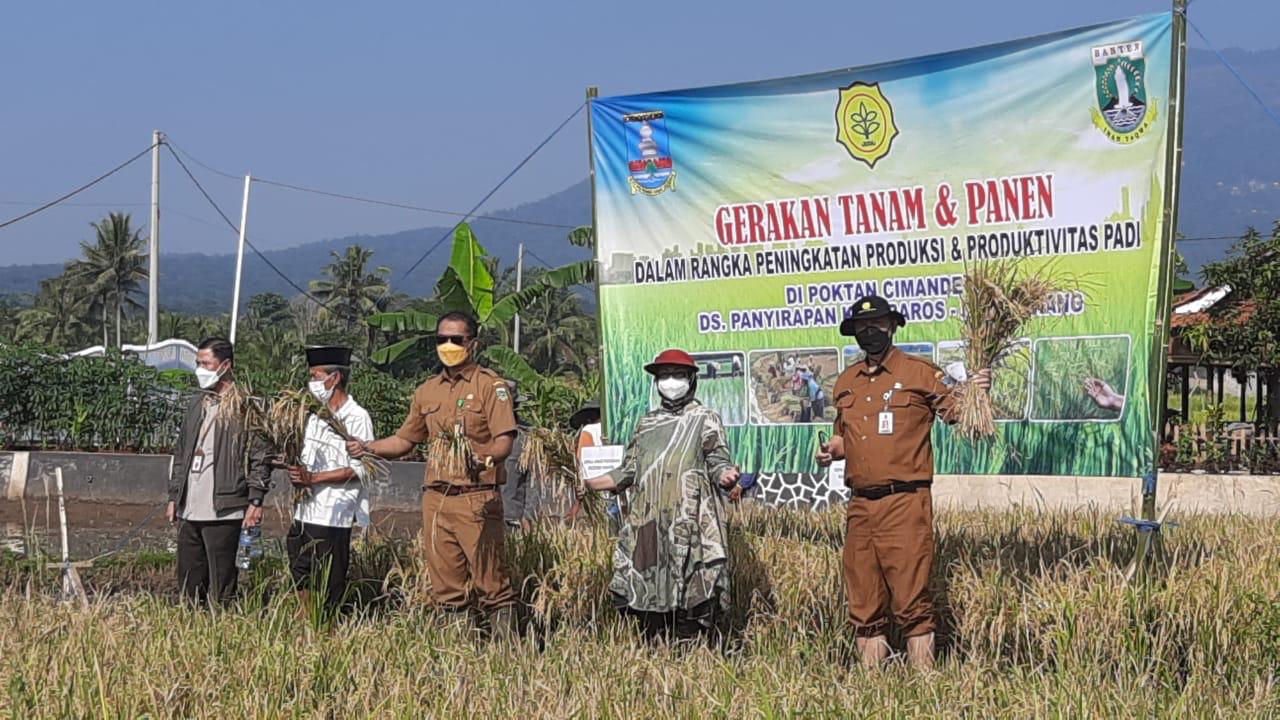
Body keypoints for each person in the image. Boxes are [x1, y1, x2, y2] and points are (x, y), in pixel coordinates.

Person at [816, 296, 990, 669]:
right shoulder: (846, 382)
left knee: (912, 601)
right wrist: (834, 448)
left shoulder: (920, 372)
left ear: (892, 326)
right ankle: (872, 691)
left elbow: (963, 415)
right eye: (862, 327)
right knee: (863, 601)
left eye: (876, 324)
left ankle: (924, 687)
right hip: (860, 505)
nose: (869, 331)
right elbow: (846, 439)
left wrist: (979, 391)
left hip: (905, 501)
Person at [347, 312, 518, 638]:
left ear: (474, 343)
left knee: (491, 581)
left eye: (457, 339)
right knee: (446, 585)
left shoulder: (491, 387)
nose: (448, 346)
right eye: (442, 340)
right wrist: (367, 447)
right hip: (436, 499)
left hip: (476, 497)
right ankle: (458, 653)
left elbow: (504, 442)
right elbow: (405, 441)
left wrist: (479, 460)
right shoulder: (426, 391)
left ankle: (508, 653)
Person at [583, 349, 740, 641]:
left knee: (691, 587)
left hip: (689, 517)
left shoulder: (705, 418)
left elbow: (718, 460)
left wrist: (726, 476)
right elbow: (629, 469)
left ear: (691, 380)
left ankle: (690, 650)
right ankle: (655, 648)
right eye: (664, 375)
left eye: (678, 375)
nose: (670, 381)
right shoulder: (647, 423)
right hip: (649, 520)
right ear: (656, 383)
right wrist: (591, 483)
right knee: (647, 584)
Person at [167, 338, 272, 605]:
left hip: (224, 506)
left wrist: (255, 500)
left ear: (225, 365)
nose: (200, 369)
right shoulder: (196, 404)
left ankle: (222, 627)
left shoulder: (246, 406)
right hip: (189, 505)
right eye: (198, 363)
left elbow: (262, 455)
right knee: (189, 578)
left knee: (222, 580)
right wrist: (173, 496)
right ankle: (191, 627)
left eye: (206, 363)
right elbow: (181, 452)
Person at [284, 346, 374, 610]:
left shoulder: (357, 417)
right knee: (301, 571)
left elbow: (359, 469)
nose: (312, 383)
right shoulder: (314, 416)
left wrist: (313, 478)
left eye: (316, 376)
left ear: (334, 379)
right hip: (305, 509)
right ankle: (306, 622)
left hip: (333, 513)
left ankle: (326, 626)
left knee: (328, 578)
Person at [501, 380, 531, 532]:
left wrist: (528, 515)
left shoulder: (527, 437)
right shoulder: (477, 434)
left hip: (512, 517)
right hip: (481, 516)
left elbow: (534, 480)